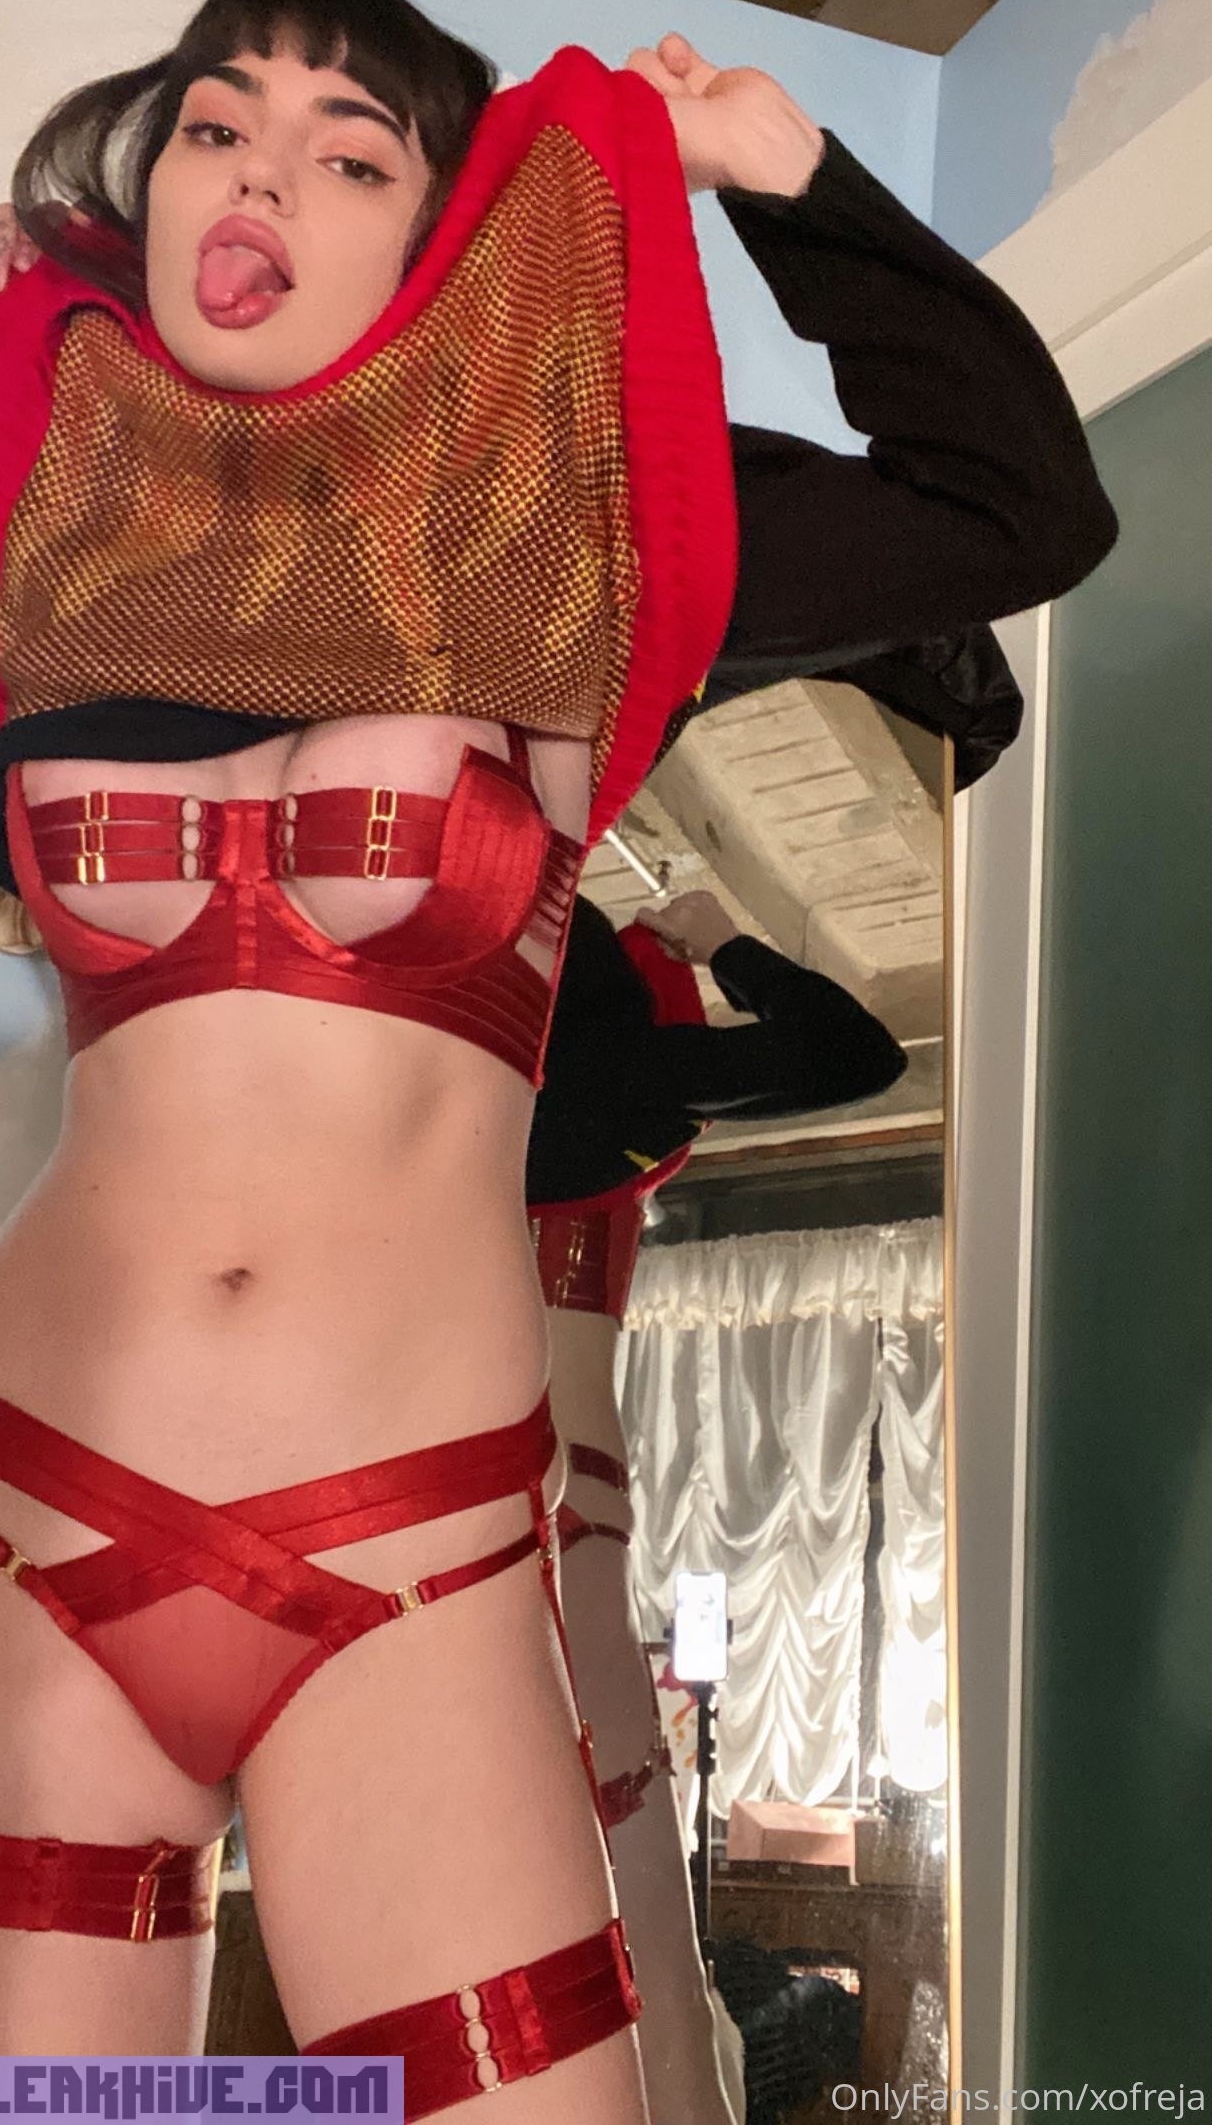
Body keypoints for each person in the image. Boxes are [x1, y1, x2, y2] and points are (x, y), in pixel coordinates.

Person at [0, 0, 1113, 2101]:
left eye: (349, 150)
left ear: (439, 237)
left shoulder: (568, 550)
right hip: (27, 1501)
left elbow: (1016, 507)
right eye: (217, 122)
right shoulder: (54, 530)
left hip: (406, 1546)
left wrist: (785, 170)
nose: (261, 170)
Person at [528, 886, 904, 2124]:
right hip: (566, 1495)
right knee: (626, 1860)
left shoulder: (432, 1074)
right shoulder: (615, 1078)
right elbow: (858, 1055)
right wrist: (719, 941)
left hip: (420, 1488)